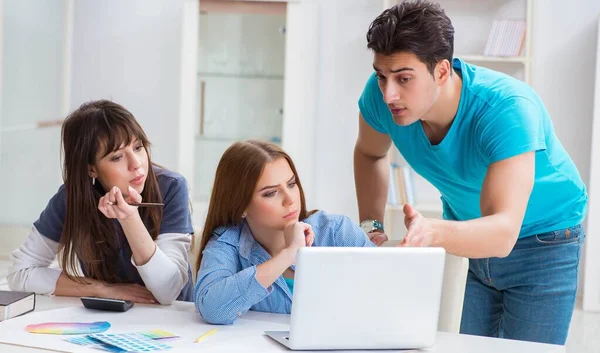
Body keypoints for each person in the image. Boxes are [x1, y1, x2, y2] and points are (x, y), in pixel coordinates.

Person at [353, 0, 587, 345]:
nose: (389, 93)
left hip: (545, 239)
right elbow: (369, 153)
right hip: (477, 241)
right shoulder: (380, 96)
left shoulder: (505, 109)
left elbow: (502, 232)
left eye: (404, 78)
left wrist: (431, 232)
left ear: (443, 71)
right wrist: (370, 225)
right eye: (381, 75)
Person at [8, 100, 194, 305]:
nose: (136, 164)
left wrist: (130, 219)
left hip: (173, 323)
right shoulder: (73, 197)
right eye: (117, 157)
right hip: (108, 319)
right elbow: (20, 272)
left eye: (138, 147)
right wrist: (102, 289)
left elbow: (168, 292)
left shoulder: (171, 188)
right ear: (91, 169)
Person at [194, 140, 374, 325]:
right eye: (271, 193)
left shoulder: (336, 231)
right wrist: (288, 254)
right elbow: (212, 310)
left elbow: (386, 288)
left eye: (291, 184)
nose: (290, 199)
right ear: (241, 206)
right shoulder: (227, 243)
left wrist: (404, 263)